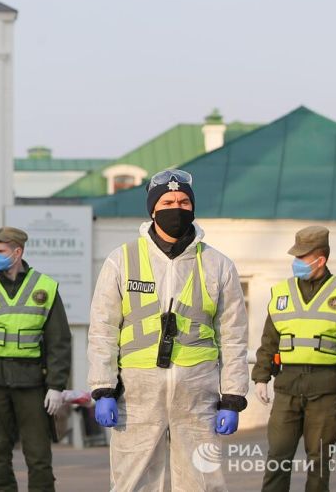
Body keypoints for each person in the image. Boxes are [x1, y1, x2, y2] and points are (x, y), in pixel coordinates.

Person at [87, 169, 249, 491]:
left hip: (197, 395)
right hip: (136, 395)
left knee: (202, 482)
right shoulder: (121, 260)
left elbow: (233, 336)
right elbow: (103, 329)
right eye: (168, 201)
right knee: (133, 481)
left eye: (184, 201)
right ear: (152, 209)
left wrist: (232, 397)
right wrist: (103, 389)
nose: (177, 207)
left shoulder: (218, 265)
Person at [252, 225, 336, 491]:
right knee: (277, 459)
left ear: (321, 259)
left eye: (302, 258)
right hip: (287, 386)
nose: (296, 263)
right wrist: (261, 376)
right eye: (295, 257)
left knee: (318, 464)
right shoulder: (281, 293)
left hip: (326, 389)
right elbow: (269, 340)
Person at [0, 226, 72, 492]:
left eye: (1, 251)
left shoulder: (45, 288)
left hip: (32, 384)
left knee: (39, 458)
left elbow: (60, 341)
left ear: (17, 252)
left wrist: (56, 386)